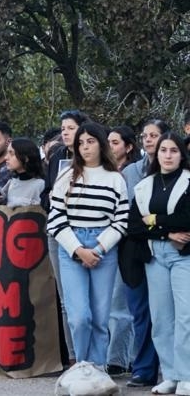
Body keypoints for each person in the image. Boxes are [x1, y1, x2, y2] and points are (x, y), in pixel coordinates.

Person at [48, 122, 128, 369]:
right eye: (81, 143)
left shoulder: (115, 179)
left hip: (103, 247)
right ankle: (82, 365)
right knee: (80, 315)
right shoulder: (66, 176)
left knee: (100, 316)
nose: (85, 147)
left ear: (101, 144)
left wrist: (99, 248)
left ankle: (99, 367)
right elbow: (56, 217)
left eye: (90, 141)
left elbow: (121, 219)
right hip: (71, 246)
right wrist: (78, 249)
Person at [126, 132, 190, 396]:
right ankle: (170, 374)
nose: (167, 155)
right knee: (162, 318)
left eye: (173, 151)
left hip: (183, 255)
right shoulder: (144, 185)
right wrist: (165, 230)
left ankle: (186, 375)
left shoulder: (188, 182)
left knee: (185, 316)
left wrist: (153, 220)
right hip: (155, 256)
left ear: (181, 155)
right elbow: (133, 226)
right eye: (164, 150)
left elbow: (186, 220)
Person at [123, 119, 170, 388]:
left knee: (169, 313)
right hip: (137, 249)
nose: (149, 140)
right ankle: (143, 369)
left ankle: (175, 369)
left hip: (170, 249)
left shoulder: (180, 172)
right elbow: (131, 218)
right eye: (145, 135)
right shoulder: (131, 172)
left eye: (154, 135)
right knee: (140, 311)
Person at [45, 109, 90, 366]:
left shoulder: (94, 159)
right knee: (65, 299)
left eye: (70, 127)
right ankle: (73, 358)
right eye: (63, 128)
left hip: (87, 231)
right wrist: (51, 198)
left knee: (88, 302)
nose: (64, 132)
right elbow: (47, 192)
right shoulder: (57, 157)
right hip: (58, 231)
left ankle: (95, 358)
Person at [106, 125, 140, 376]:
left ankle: (119, 359)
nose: (110, 146)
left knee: (120, 304)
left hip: (125, 242)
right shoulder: (102, 171)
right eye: (108, 141)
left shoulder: (132, 172)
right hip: (99, 243)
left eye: (115, 142)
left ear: (128, 147)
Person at [0, 138, 45, 207]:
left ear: (26, 158)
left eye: (11, 153)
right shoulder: (12, 182)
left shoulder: (41, 185)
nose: (6, 158)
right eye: (7, 153)